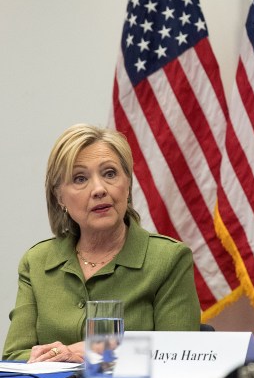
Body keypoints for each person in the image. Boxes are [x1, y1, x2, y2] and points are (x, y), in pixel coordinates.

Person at [3, 124, 201, 362]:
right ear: (59, 197)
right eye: (80, 178)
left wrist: (85, 351)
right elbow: (14, 357)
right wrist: (64, 355)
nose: (99, 189)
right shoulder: (37, 263)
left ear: (127, 184)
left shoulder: (169, 259)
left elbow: (181, 355)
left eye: (109, 174)